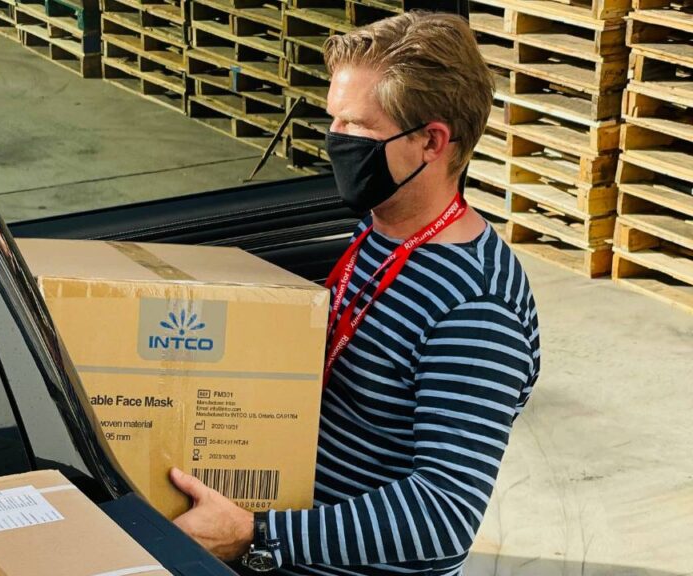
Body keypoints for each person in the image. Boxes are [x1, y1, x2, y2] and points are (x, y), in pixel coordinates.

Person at [168, 11, 541, 576]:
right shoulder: (379, 230)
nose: (335, 142)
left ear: (430, 142)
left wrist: (255, 533)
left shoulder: (476, 310)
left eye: (357, 130)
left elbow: (443, 513)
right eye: (332, 121)